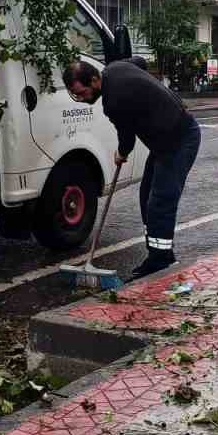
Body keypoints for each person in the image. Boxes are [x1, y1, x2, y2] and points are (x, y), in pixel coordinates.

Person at [62, 58, 201, 279]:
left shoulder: (113, 101)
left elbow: (126, 138)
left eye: (83, 92)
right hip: (163, 142)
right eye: (75, 95)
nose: (81, 99)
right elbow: (141, 62)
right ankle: (156, 253)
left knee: (160, 202)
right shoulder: (116, 67)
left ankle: (162, 261)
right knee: (146, 196)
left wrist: (121, 154)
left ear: (95, 80)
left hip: (179, 140)